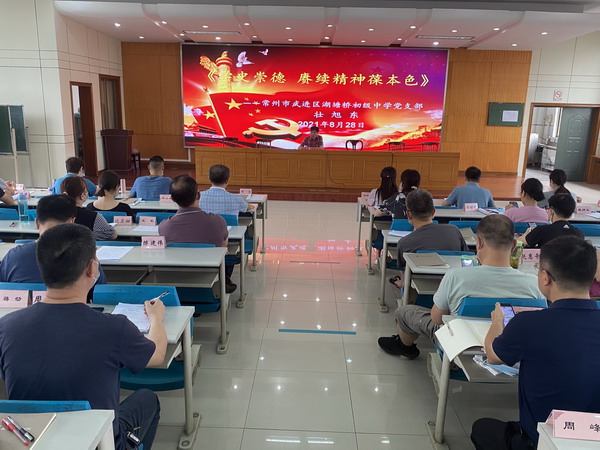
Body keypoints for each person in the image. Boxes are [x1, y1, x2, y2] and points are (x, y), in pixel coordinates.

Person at [0, 224, 165, 450]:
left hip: (31, 441)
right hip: (99, 442)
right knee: (147, 398)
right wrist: (156, 318)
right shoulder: (114, 328)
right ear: (91, 268)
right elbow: (157, 355)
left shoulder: (6, 327)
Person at [471, 236, 600, 449]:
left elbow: (493, 355)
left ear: (545, 278)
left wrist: (497, 322)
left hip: (543, 441)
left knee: (482, 428)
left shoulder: (528, 323)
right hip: (594, 437)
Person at [379, 214, 543, 359]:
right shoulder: (534, 283)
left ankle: (406, 347)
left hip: (460, 344)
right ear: (514, 245)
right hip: (509, 346)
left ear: (479, 242)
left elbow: (437, 319)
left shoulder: (456, 276)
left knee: (405, 312)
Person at [0, 194, 106, 298]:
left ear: (37, 223)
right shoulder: (86, 255)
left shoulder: (13, 256)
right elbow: (101, 293)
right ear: (72, 222)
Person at [158, 174, 236, 293]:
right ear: (198, 195)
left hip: (175, 280)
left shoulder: (164, 226)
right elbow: (223, 247)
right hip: (212, 277)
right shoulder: (218, 221)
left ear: (172, 199)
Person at [395, 189, 469, 271]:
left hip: (420, 279)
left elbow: (404, 272)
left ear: (408, 214)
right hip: (454, 277)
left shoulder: (404, 243)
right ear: (433, 212)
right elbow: (467, 258)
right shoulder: (454, 231)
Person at [61, 176, 117, 241]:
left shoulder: (55, 215)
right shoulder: (94, 217)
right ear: (82, 195)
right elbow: (112, 235)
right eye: (86, 190)